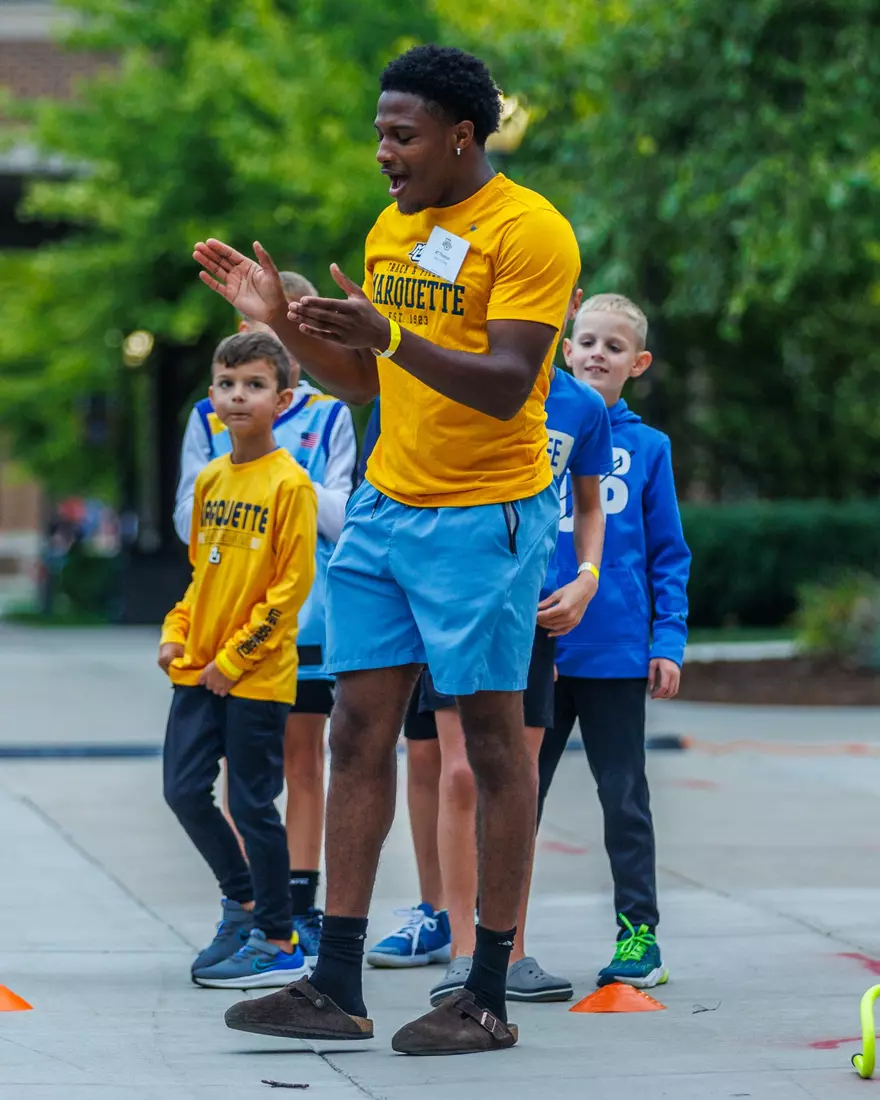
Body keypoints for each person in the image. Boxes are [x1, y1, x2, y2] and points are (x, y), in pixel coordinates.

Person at [194, 43, 581, 1055]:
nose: (383, 153)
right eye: (379, 134)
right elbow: (366, 383)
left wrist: (391, 337)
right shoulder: (390, 230)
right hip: (384, 508)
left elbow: (504, 381)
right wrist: (280, 323)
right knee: (354, 730)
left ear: (461, 136)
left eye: (400, 135)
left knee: (489, 743)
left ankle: (483, 988)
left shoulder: (528, 229)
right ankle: (334, 983)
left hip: (484, 516)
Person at [376, 353, 612, 1006]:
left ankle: (510, 949)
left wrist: (586, 581)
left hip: (529, 604)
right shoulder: (456, 377)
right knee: (460, 773)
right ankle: (460, 948)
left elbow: (588, 507)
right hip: (450, 597)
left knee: (518, 777)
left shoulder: (583, 407)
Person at [174, 273, 356, 964]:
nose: (265, 338)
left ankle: (300, 906)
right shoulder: (209, 416)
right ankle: (246, 905)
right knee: (241, 773)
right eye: (251, 326)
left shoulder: (331, 416)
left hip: (305, 622)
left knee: (303, 758)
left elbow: (345, 519)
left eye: (281, 327)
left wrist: (285, 481)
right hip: (225, 629)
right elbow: (188, 518)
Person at [537, 293, 691, 990]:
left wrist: (668, 640)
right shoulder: (533, 432)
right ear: (565, 348)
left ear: (639, 363)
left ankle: (639, 935)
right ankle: (491, 937)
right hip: (534, 650)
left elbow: (668, 555)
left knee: (623, 797)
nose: (597, 353)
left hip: (616, 652)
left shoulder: (648, 448)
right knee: (513, 795)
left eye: (614, 346)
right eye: (586, 340)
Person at [159, 331, 318, 989]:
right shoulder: (210, 480)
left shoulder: (291, 485)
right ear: (212, 398)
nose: (237, 396)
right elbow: (203, 575)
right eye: (227, 384)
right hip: (199, 670)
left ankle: (278, 937)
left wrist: (237, 656)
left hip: (256, 677)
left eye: (254, 385)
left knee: (252, 804)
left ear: (282, 400)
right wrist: (177, 632)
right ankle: (244, 897)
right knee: (182, 789)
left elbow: (290, 591)